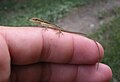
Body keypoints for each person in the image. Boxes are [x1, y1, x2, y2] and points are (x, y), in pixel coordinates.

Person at [0, 26, 112, 82]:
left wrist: (58, 31)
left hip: (56, 28)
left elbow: (47, 26)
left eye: (34, 20)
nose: (33, 21)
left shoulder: (43, 24)